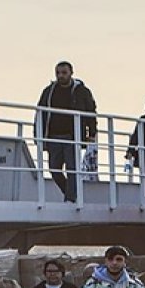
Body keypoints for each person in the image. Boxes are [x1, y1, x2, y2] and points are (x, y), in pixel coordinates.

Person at [36, 61, 98, 203]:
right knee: (54, 169)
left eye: (64, 73)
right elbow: (40, 113)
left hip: (72, 136)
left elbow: (91, 112)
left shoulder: (81, 91)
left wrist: (92, 133)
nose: (60, 76)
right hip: (53, 136)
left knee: (72, 169)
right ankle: (70, 194)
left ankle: (70, 199)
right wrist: (38, 136)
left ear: (71, 73)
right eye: (58, 73)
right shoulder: (49, 91)